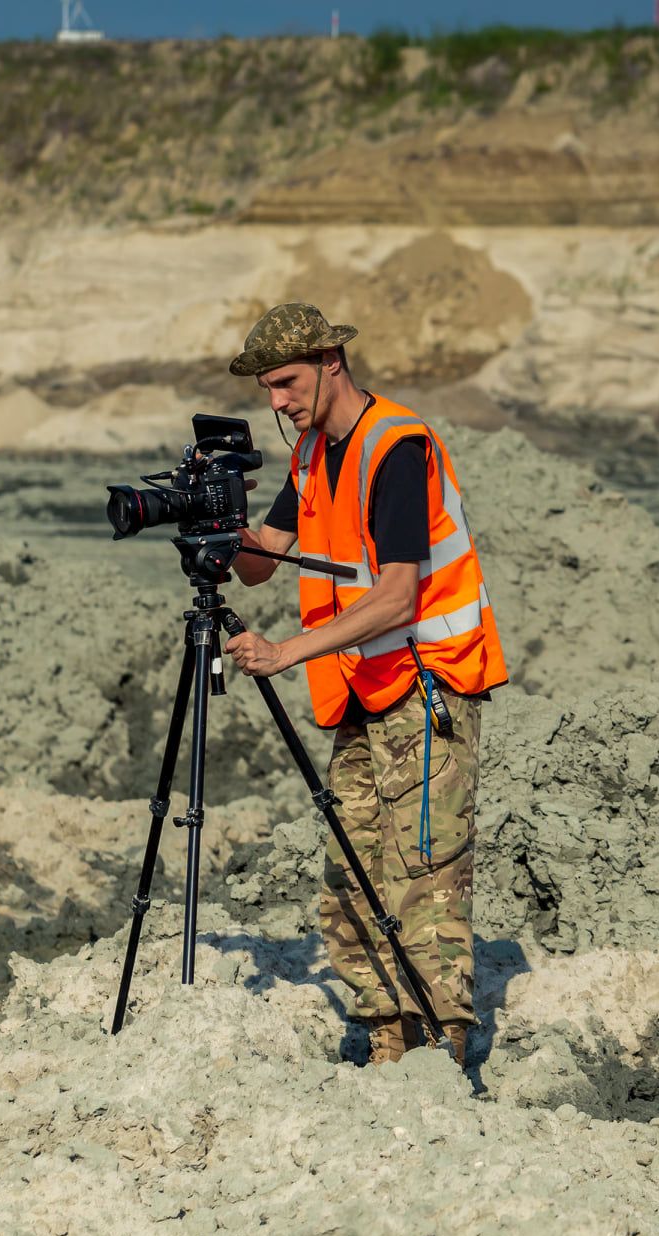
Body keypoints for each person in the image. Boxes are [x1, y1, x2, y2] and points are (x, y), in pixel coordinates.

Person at [221, 303, 509, 1067]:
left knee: (425, 873)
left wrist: (285, 653)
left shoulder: (394, 448)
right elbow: (262, 559)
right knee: (352, 868)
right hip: (363, 690)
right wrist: (216, 527)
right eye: (266, 389)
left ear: (329, 361)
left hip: (427, 687)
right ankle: (387, 1034)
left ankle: (445, 1050)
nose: (276, 402)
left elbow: (396, 597)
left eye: (284, 382)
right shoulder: (313, 455)